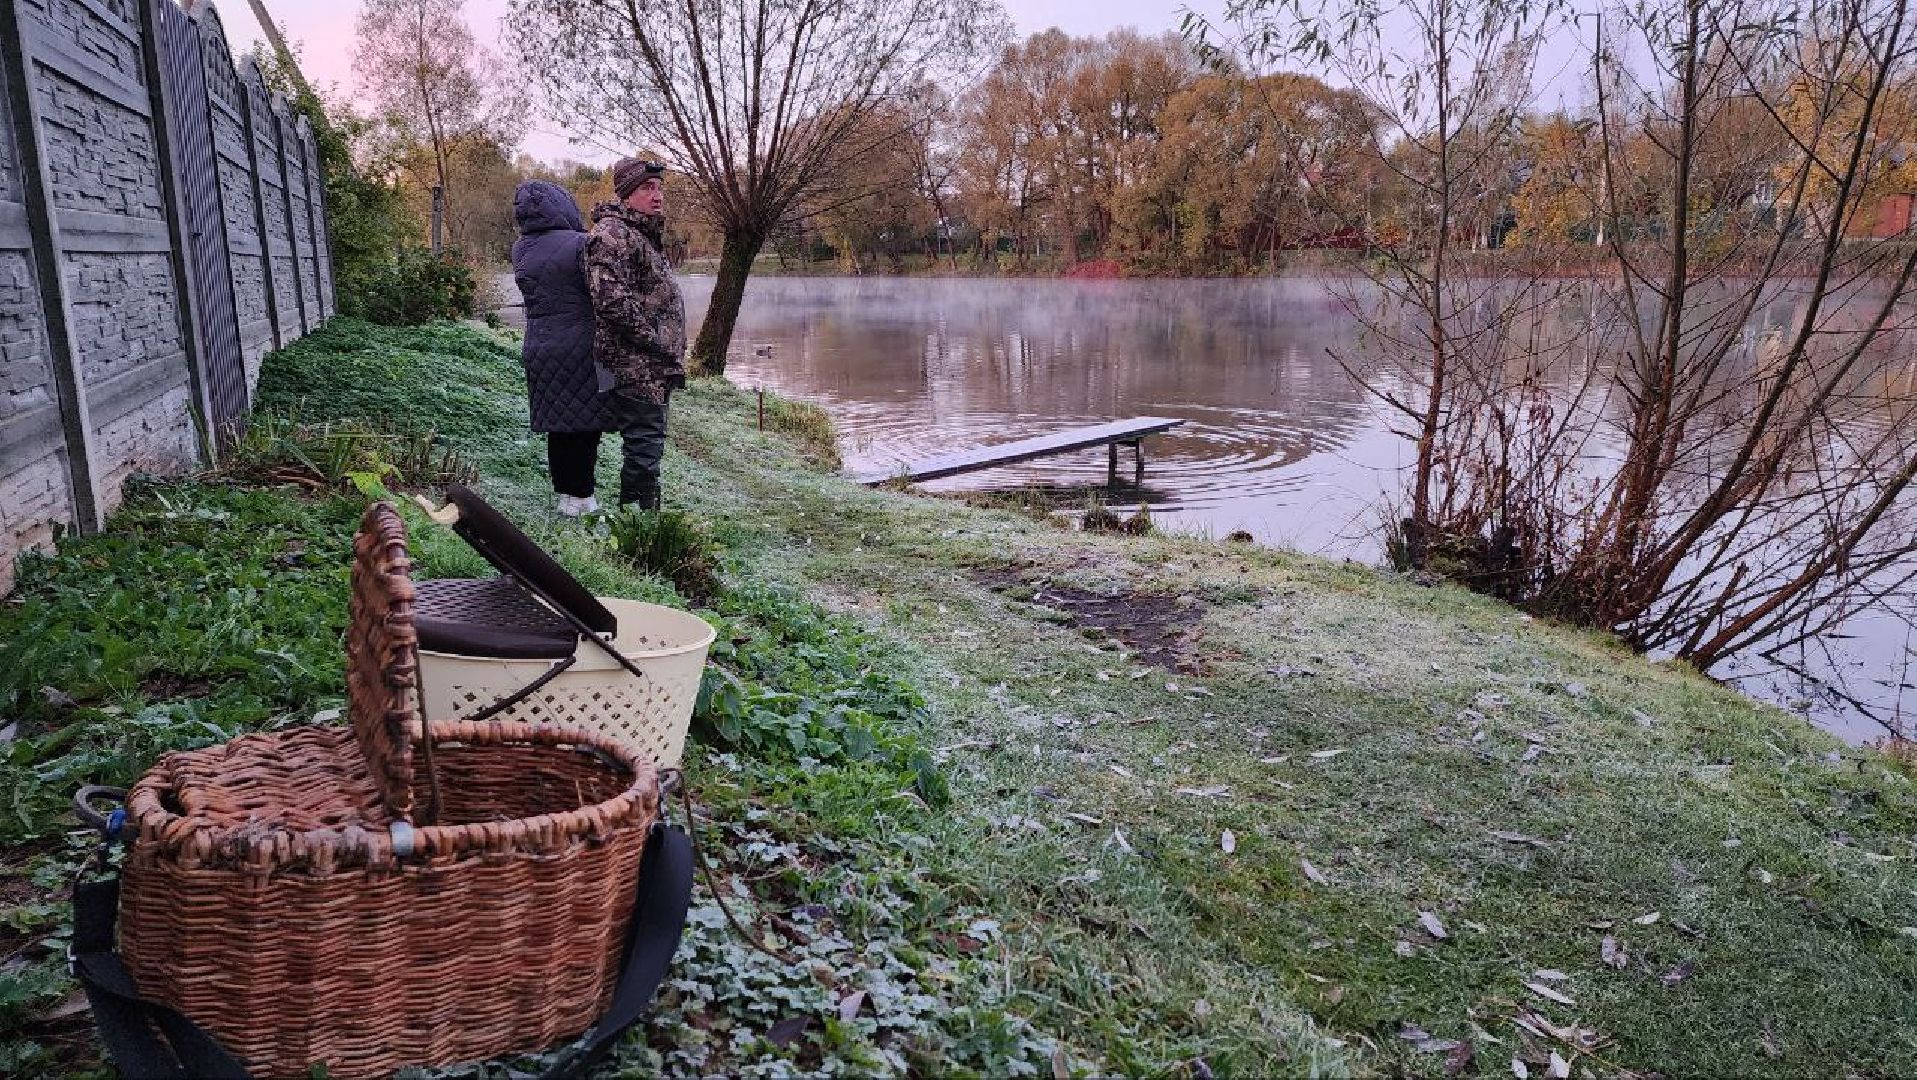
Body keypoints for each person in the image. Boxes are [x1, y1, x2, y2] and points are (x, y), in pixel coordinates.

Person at [586, 157, 688, 510]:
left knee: (648, 449)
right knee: (643, 452)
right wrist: (656, 340)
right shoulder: (613, 233)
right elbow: (610, 300)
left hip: (652, 365)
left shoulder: (641, 234)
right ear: (626, 194)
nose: (657, 196)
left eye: (659, 188)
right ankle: (638, 533)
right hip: (635, 366)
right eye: (647, 188)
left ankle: (643, 527)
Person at [510, 179, 615, 516]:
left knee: (559, 423)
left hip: (539, 344)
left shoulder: (519, 249)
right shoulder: (582, 244)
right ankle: (583, 498)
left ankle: (567, 496)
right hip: (580, 344)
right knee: (585, 423)